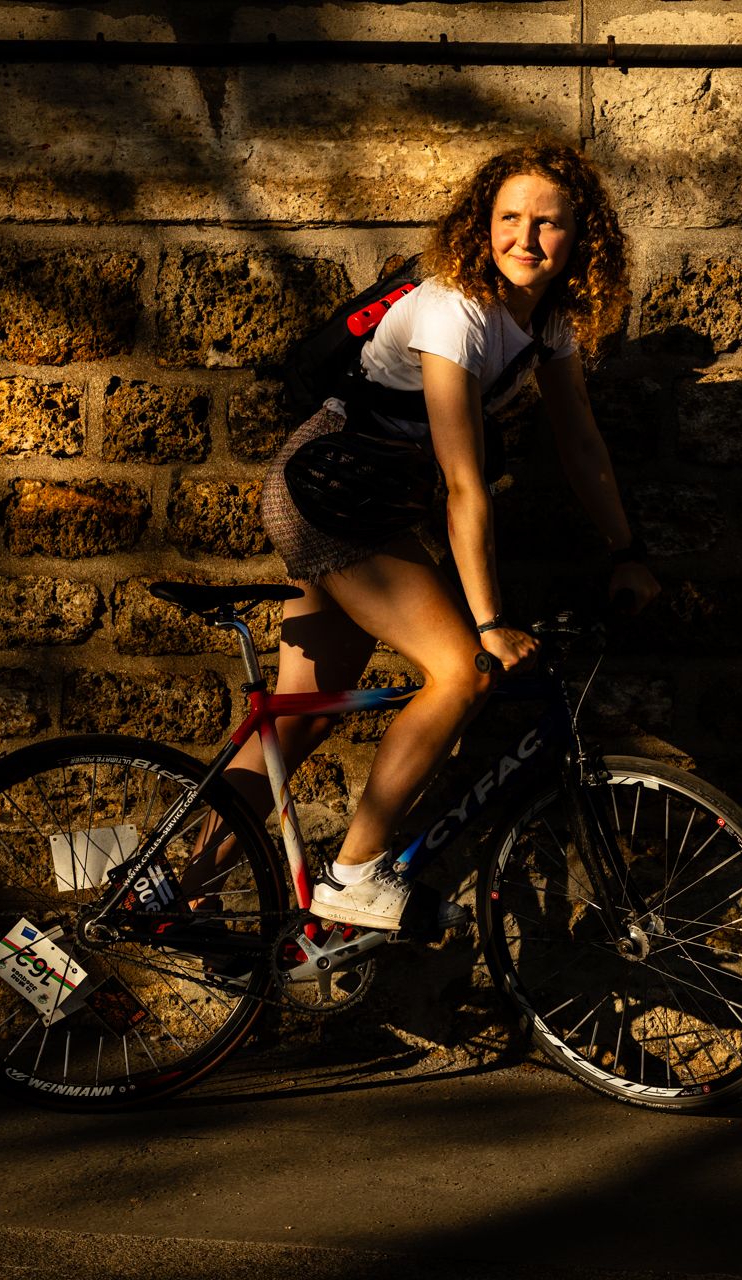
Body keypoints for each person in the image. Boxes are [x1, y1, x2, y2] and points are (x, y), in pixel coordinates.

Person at [232, 140, 661, 933]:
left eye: (548, 224)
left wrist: (625, 548)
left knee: (302, 715)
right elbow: (465, 485)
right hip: (329, 494)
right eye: (508, 219)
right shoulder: (453, 310)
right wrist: (490, 625)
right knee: (460, 674)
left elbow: (581, 444)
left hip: (374, 502)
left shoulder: (547, 320)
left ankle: (164, 891)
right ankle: (354, 874)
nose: (525, 240)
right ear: (481, 224)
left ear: (582, 238)